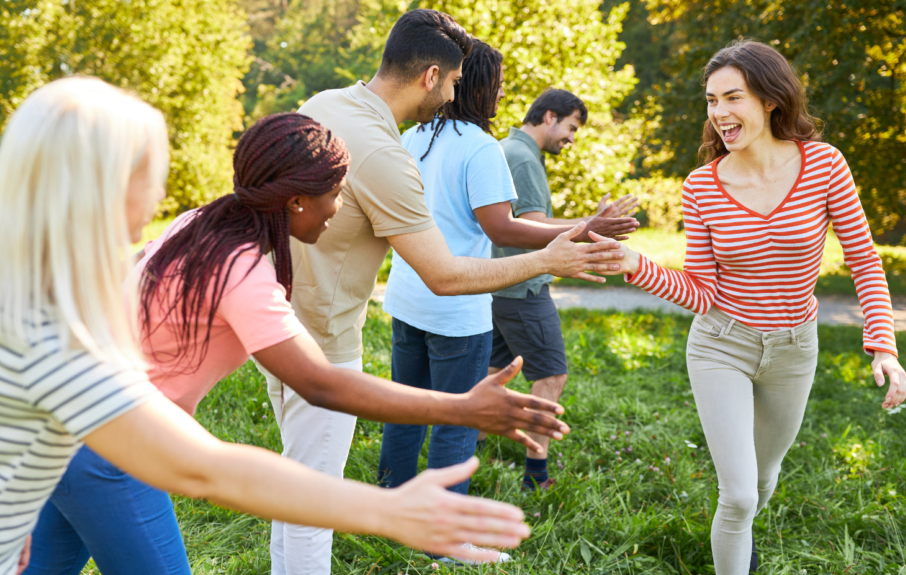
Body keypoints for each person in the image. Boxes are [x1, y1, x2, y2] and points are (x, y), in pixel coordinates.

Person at [0, 77, 536, 575]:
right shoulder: (60, 342)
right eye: (144, 184)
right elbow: (208, 467)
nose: (150, 206)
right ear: (96, 189)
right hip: (87, 471)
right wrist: (390, 507)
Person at [261, 10, 627, 574]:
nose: (458, 91)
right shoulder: (388, 153)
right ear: (432, 76)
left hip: (278, 321)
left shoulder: (326, 103)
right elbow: (447, 274)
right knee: (315, 503)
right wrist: (551, 258)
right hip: (325, 345)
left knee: (299, 483)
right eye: (454, 80)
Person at [593, 40, 906, 575]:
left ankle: (740, 540)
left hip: (793, 349)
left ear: (768, 99)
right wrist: (631, 261)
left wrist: (884, 346)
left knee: (763, 481)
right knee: (738, 495)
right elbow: (700, 292)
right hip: (722, 344)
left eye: (731, 98)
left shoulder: (824, 164)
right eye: (711, 101)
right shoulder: (702, 187)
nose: (718, 113)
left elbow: (864, 260)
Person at [377, 40, 638, 532]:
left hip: (409, 299)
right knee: (456, 424)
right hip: (457, 312)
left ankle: (391, 506)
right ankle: (443, 536)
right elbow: (504, 229)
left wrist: (582, 224)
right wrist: (581, 228)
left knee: (405, 408)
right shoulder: (480, 146)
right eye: (495, 86)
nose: (500, 97)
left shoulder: (415, 136)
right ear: (472, 84)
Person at [484, 88, 639, 492]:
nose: (571, 139)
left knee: (492, 371)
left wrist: (591, 222)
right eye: (570, 127)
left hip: (501, 283)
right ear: (549, 116)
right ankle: (535, 476)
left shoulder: (506, 149)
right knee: (552, 374)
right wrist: (593, 225)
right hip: (524, 288)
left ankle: (471, 448)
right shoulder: (522, 157)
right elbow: (534, 224)